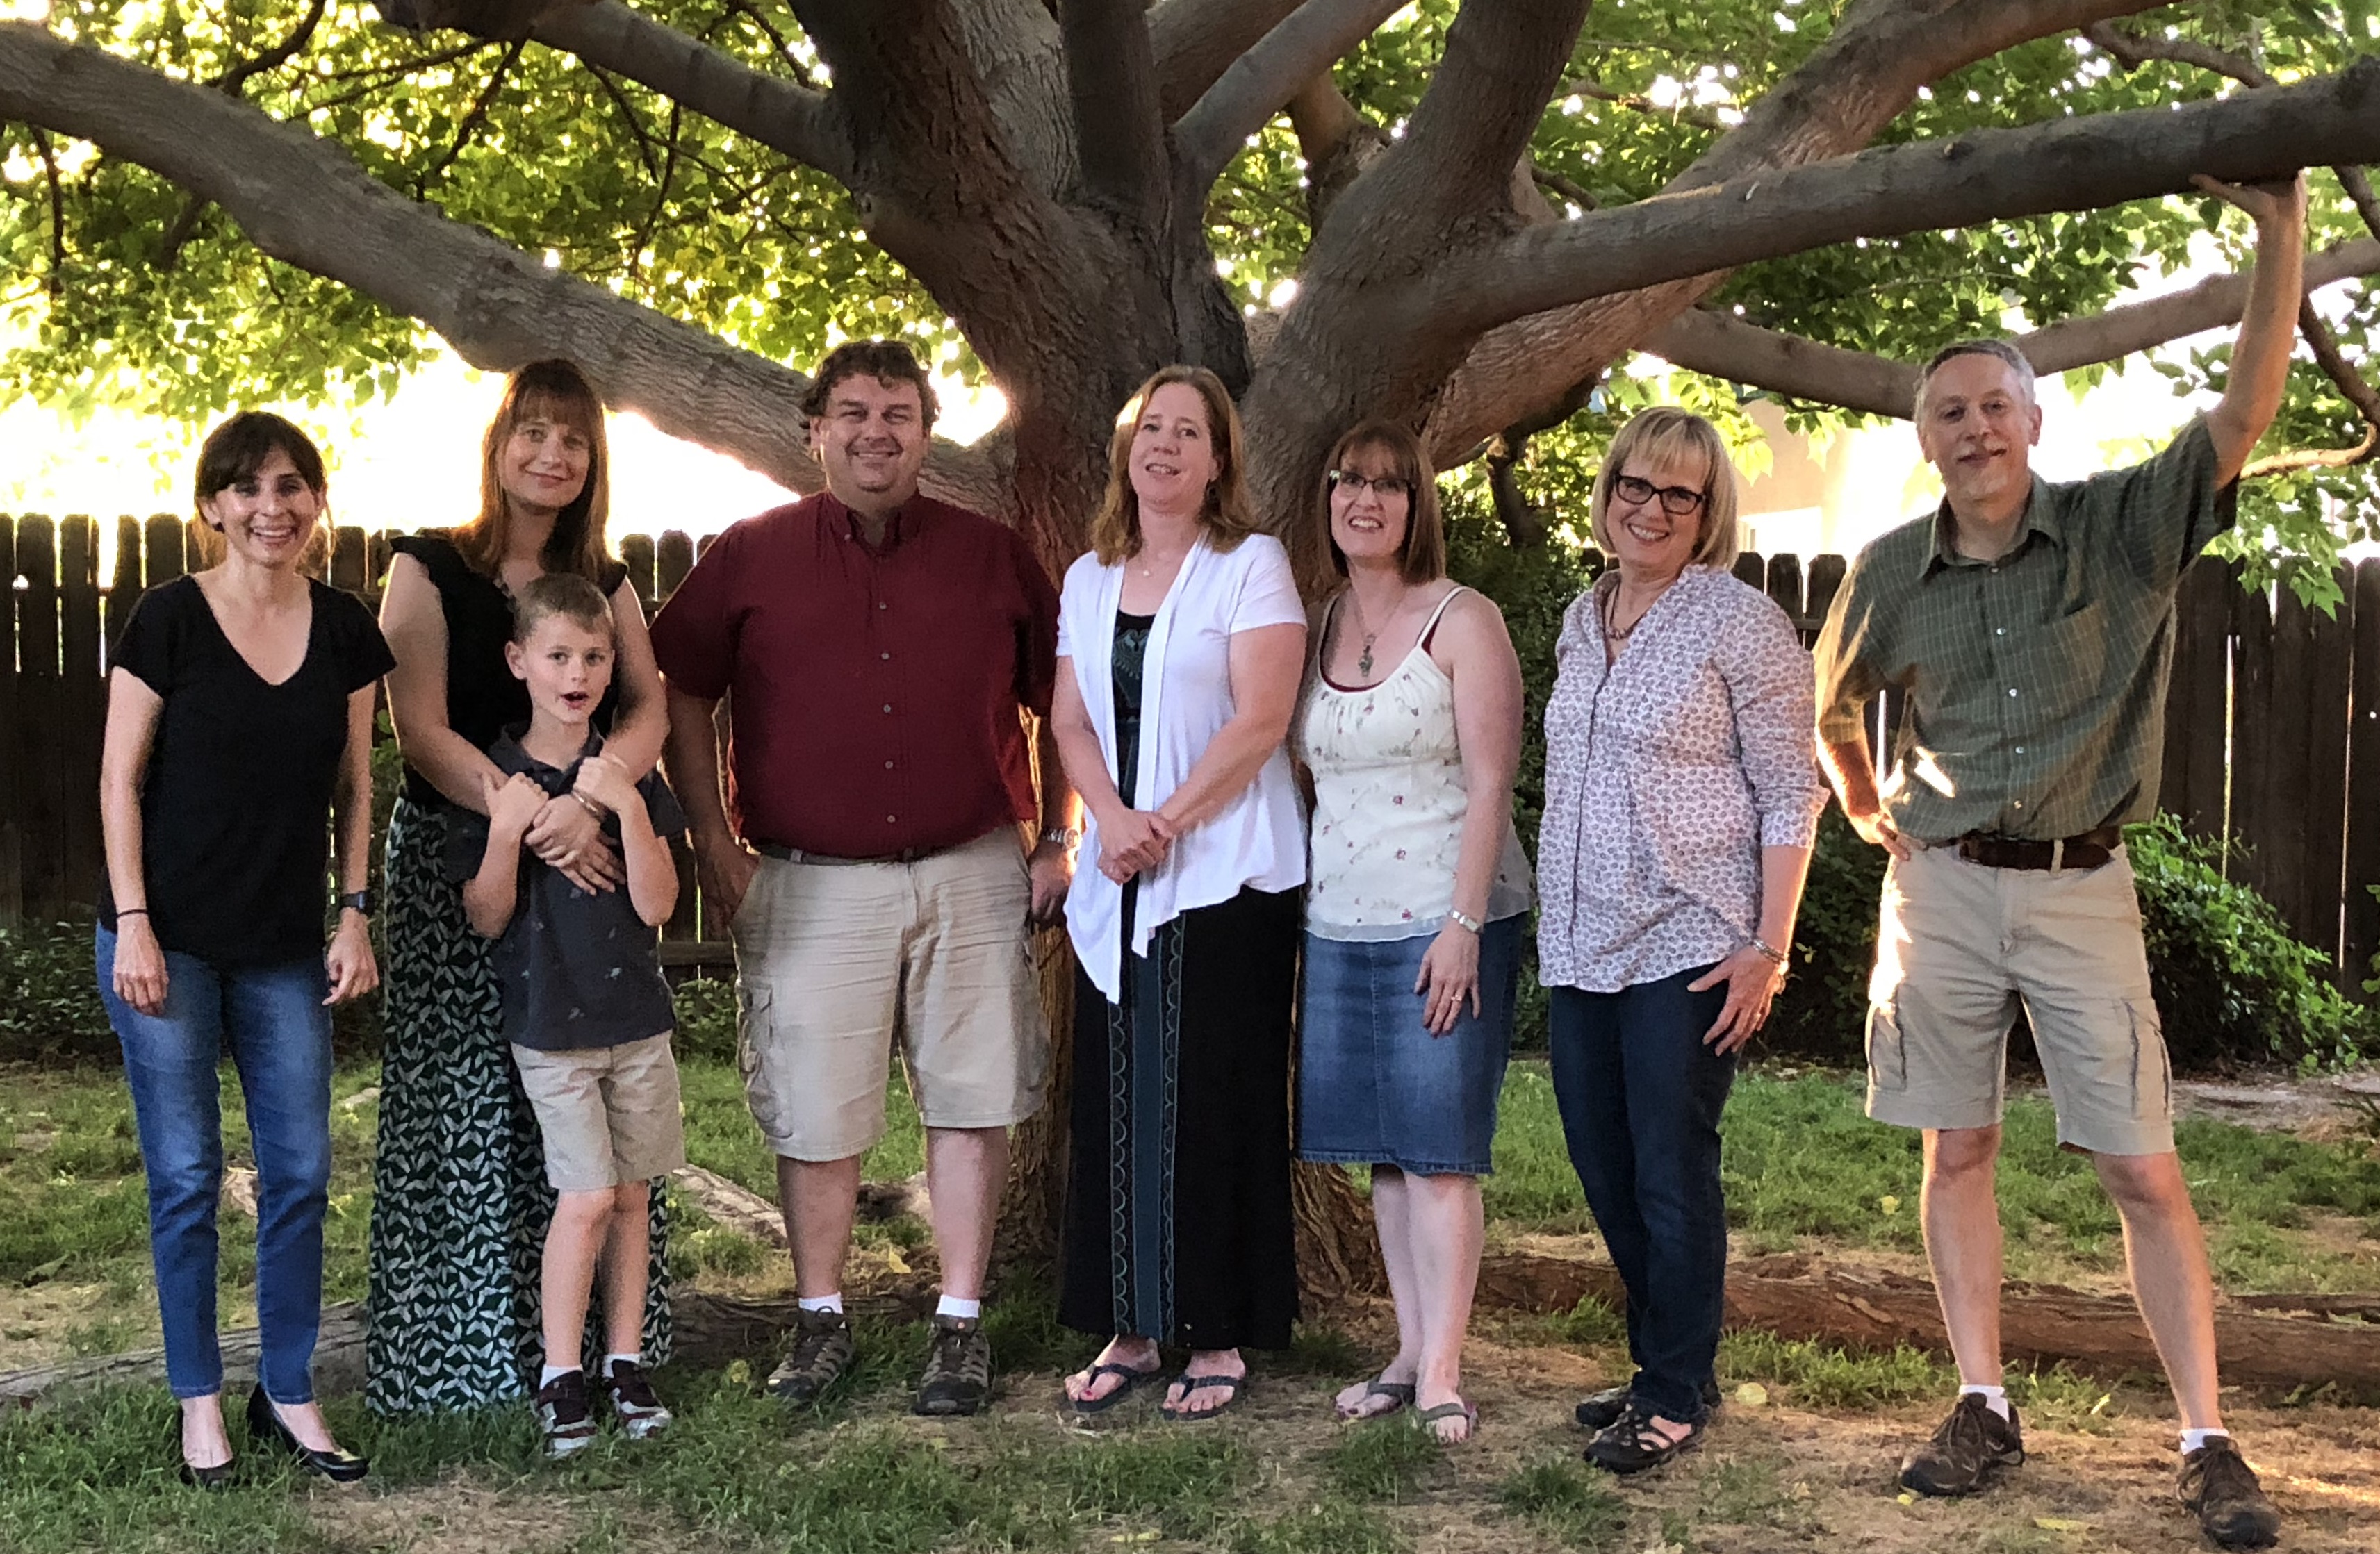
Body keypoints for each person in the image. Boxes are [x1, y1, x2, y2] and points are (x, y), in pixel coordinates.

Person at [1812, 175, 2304, 1548]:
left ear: (2032, 423)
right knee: (1955, 1143)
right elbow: (1835, 706)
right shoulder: (1886, 571)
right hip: (1941, 892)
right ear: (1924, 440)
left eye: (1992, 406)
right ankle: (1982, 1400)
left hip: (2083, 886)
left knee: (2140, 1164)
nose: (1973, 428)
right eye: (1948, 413)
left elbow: (2242, 413)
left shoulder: (2120, 529)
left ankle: (2205, 1434)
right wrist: (1871, 809)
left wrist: (2277, 233)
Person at [652, 338, 1072, 1418]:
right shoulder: (751, 555)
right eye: (853, 412)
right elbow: (678, 686)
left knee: (972, 1099)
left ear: (926, 435)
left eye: (897, 414)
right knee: (815, 1109)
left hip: (971, 867)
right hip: (810, 881)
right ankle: (819, 1320)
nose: (875, 432)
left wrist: (1056, 838)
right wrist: (713, 843)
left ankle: (961, 1325)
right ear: (815, 432)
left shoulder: (991, 556)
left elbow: (1061, 698)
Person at [369, 359, 673, 1414]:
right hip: (465, 857)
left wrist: (592, 798)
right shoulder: (427, 565)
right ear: (498, 444)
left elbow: (648, 709)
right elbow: (417, 725)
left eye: (574, 438)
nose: (552, 454)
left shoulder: (608, 582)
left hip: (587, 862)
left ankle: (608, 1352)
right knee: (467, 1098)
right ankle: (461, 1360)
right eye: (533, 432)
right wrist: (533, 813)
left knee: (590, 1106)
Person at [97, 412, 388, 1485]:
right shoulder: (167, 619)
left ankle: (289, 1390)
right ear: (213, 506)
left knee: (300, 1172)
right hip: (165, 941)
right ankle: (198, 1404)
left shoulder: (346, 627)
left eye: (292, 485)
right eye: (248, 488)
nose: (273, 507)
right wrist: (134, 922)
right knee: (185, 1177)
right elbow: (117, 779)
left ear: (316, 501)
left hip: (282, 946)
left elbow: (357, 785)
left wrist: (354, 911)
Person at [1538, 406, 1825, 1473]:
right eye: (1635, 484)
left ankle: (1670, 1393)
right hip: (1581, 939)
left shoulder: (1740, 622)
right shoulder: (1582, 618)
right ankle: (1672, 1363)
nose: (1651, 509)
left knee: (1669, 1168)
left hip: (1691, 938)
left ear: (1708, 514)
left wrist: (1768, 946)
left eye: (1678, 494)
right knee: (1603, 1165)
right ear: (1608, 490)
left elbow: (1790, 792)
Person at [1051, 365, 1308, 1423]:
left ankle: (1217, 1331)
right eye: (1149, 428)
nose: (1163, 445)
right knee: (1116, 1101)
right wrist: (1111, 820)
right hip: (1118, 872)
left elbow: (1261, 719)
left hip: (1226, 873)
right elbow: (1068, 719)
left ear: (1217, 460)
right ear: (1128, 451)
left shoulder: (1250, 566)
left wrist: (1163, 821)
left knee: (1212, 1103)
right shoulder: (1088, 577)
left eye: (1187, 432)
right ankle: (1128, 1324)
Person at [1292, 420, 1531, 1444]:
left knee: (1437, 1156)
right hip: (1338, 922)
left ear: (1416, 505)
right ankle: (1403, 1349)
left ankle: (1443, 1368)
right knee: (1382, 1158)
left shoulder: (1462, 618)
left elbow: (1491, 779)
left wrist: (1463, 924)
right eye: (1349, 481)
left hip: (1444, 920)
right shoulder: (1317, 621)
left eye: (1389, 485)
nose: (1366, 499)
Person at [451, 575, 689, 1456]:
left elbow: (659, 904)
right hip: (552, 1028)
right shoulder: (496, 776)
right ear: (518, 662)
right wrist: (506, 830)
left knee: (632, 1195)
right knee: (586, 1195)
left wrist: (623, 804)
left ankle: (625, 1360)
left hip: (637, 1022)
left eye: (593, 657)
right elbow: (485, 915)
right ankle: (561, 1373)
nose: (576, 673)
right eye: (557, 656)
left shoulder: (628, 775)